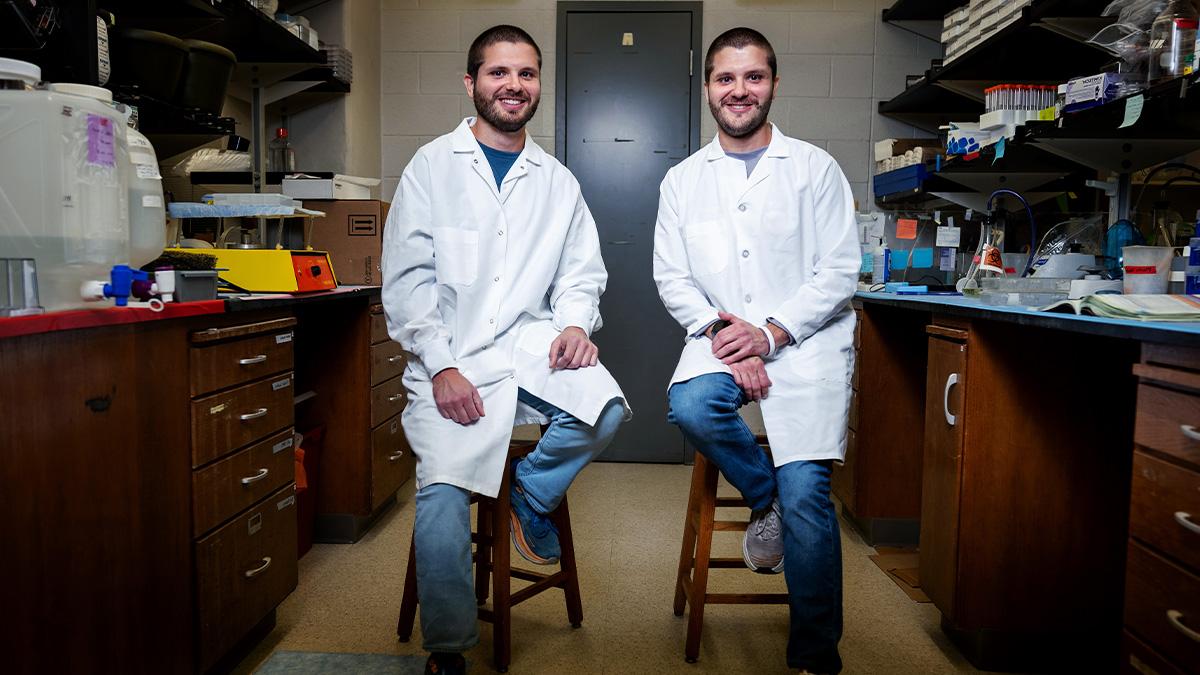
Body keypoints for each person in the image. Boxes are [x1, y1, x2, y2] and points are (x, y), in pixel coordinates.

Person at [381, 25, 630, 675]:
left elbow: (581, 271)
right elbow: (407, 284)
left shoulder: (557, 180)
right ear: (472, 84)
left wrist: (575, 323)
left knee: (604, 408)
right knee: (442, 490)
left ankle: (528, 495)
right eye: (498, 73)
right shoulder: (432, 168)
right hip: (451, 351)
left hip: (526, 341)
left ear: (538, 83)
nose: (513, 85)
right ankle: (449, 648)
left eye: (526, 73)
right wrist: (442, 365)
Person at [652, 27, 859, 675]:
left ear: (772, 83)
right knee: (690, 404)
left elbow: (839, 269)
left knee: (809, 496)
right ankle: (762, 500)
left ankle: (815, 657)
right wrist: (726, 335)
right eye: (726, 78)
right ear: (708, 88)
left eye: (754, 77)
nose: (739, 90)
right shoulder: (684, 180)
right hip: (721, 341)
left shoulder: (815, 169)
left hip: (804, 345)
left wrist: (769, 333)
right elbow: (672, 276)